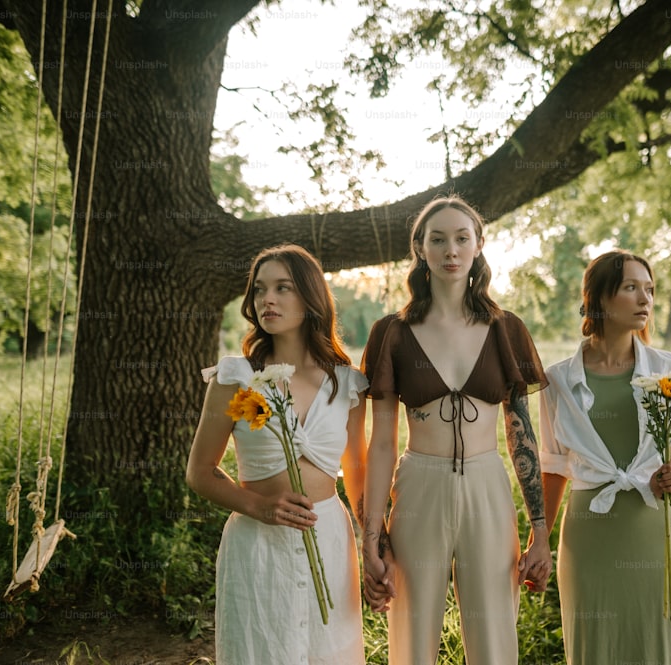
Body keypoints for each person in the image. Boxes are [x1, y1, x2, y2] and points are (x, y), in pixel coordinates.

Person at [360, 195, 552, 665]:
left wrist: (541, 531)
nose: (451, 250)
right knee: (412, 625)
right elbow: (382, 442)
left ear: (479, 245)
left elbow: (521, 434)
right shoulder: (392, 332)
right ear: (420, 249)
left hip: (488, 484)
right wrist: (370, 535)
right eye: (438, 239)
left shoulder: (507, 330)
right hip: (418, 483)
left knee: (493, 631)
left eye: (462, 238)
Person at [186, 244, 368, 665]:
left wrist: (372, 542)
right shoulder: (235, 377)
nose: (267, 299)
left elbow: (357, 472)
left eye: (283, 288)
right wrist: (260, 507)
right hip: (257, 546)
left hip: (330, 539)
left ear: (311, 297)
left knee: (330, 653)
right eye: (260, 290)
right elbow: (200, 471)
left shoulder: (347, 384)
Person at [539, 250, 671, 665]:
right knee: (593, 645)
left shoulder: (670, 369)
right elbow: (554, 465)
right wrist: (537, 538)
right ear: (598, 299)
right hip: (587, 532)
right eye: (631, 288)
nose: (645, 299)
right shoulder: (557, 379)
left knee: (651, 641)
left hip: (650, 527)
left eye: (649, 289)